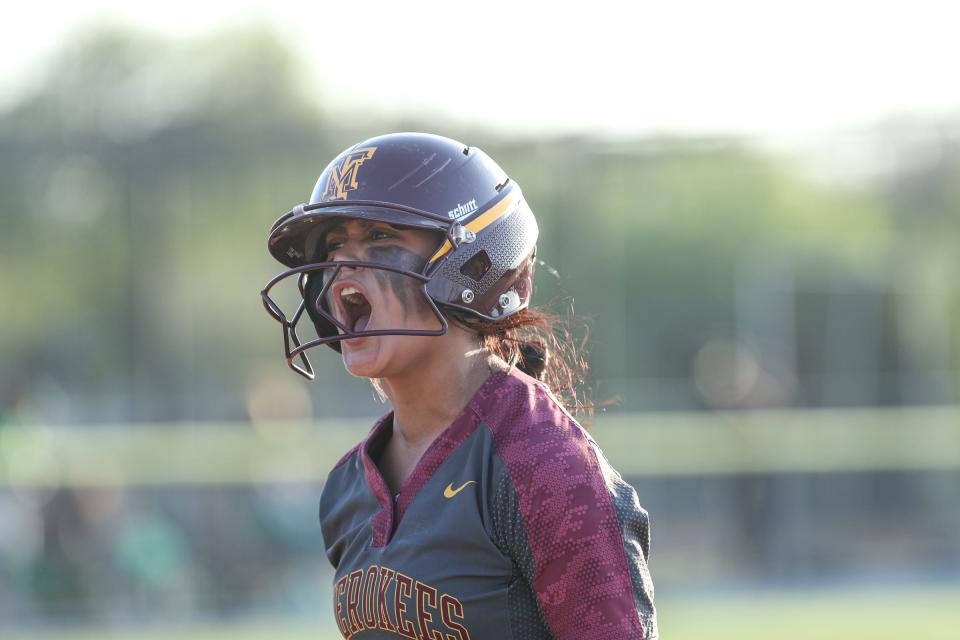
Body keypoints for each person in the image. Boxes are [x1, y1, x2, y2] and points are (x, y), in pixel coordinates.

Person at [261, 132, 657, 639]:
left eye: (381, 236)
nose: (343, 266)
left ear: (472, 263)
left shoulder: (543, 463)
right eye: (336, 244)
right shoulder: (348, 486)